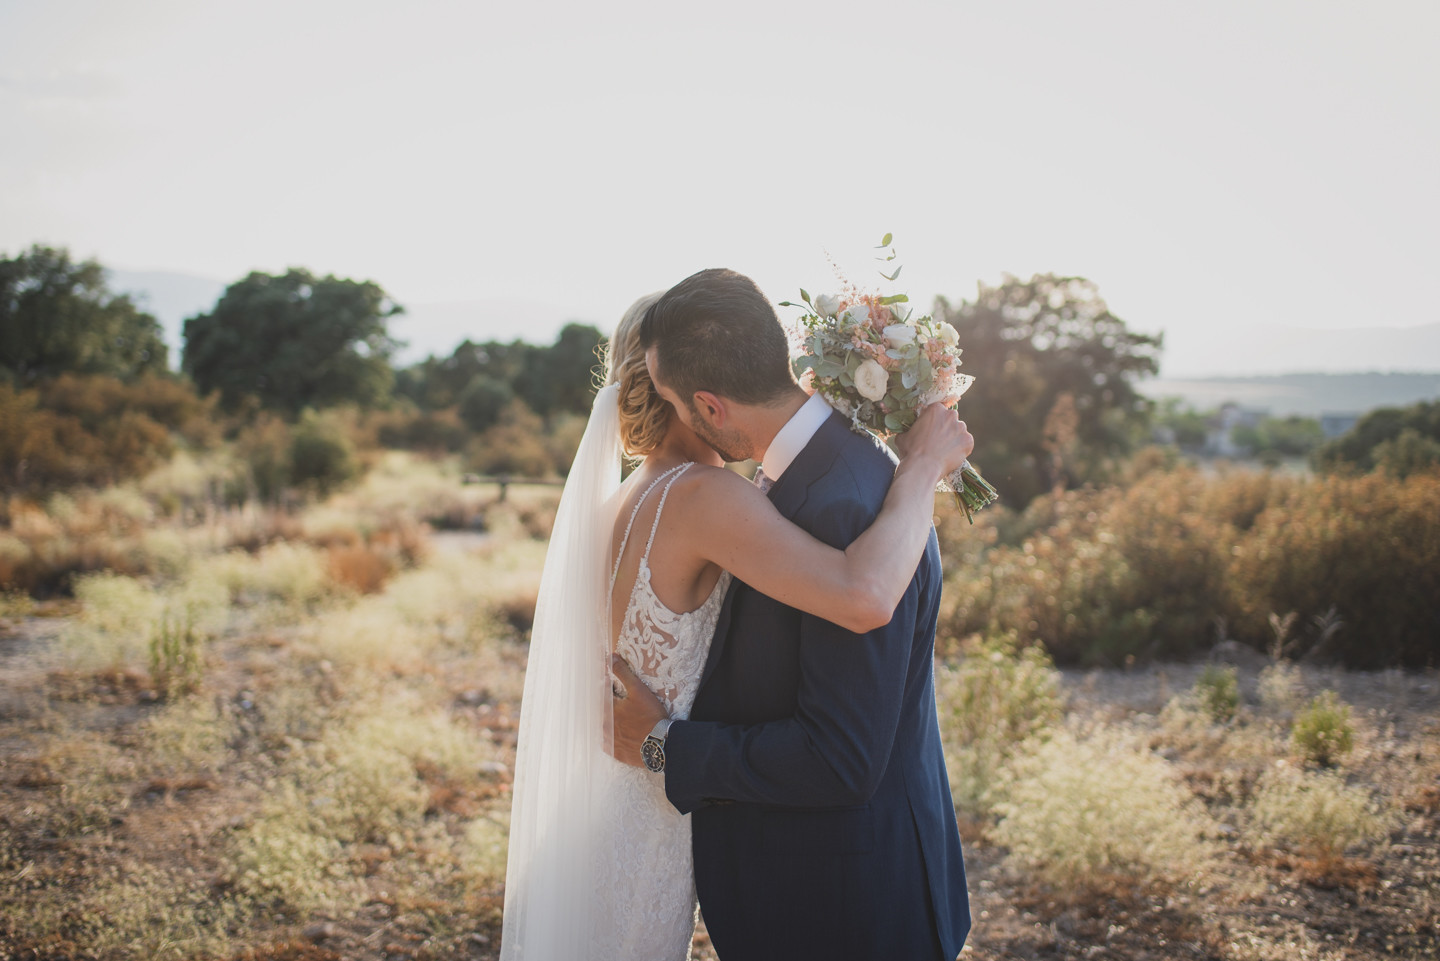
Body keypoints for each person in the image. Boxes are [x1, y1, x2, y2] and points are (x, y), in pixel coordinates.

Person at [499, 285, 973, 961]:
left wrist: (662, 744)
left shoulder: (621, 504)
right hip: (679, 832)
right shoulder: (710, 497)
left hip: (618, 819)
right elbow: (860, 591)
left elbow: (843, 745)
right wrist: (920, 468)